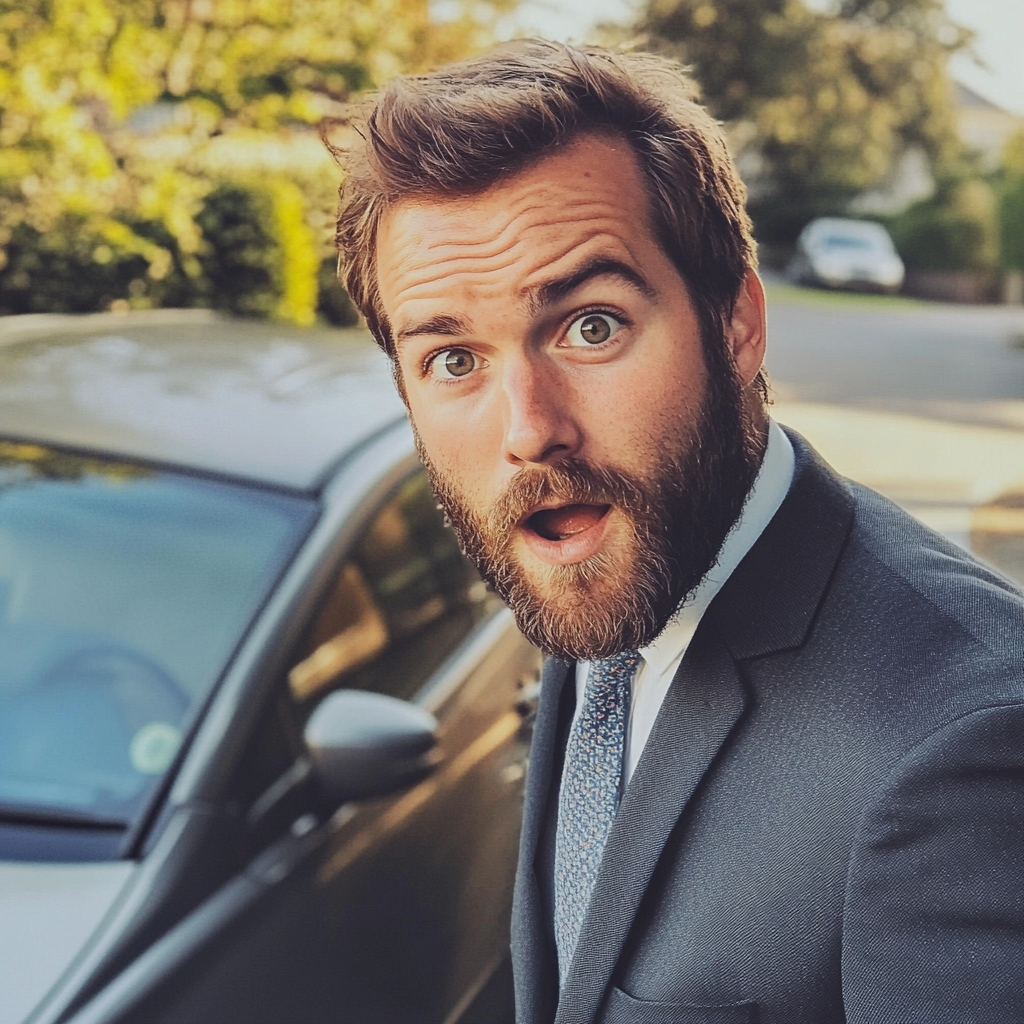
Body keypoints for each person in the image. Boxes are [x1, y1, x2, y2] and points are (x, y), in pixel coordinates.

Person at [328, 40, 1024, 1024]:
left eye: (591, 325)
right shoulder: (611, 576)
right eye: (452, 359)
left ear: (736, 324)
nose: (528, 430)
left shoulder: (968, 748)